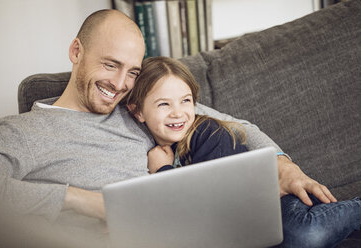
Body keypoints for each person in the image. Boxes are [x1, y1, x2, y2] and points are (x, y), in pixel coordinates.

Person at [0, 8, 341, 246]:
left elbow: (239, 126)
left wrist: (283, 165)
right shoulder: (23, 132)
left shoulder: (139, 105)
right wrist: (84, 202)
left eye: (132, 71)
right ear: (76, 51)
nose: (119, 83)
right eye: (110, 65)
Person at [126, 56, 361, 247]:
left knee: (303, 236)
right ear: (138, 112)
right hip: (245, 228)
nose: (178, 113)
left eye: (185, 101)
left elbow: (205, 208)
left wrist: (163, 170)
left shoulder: (208, 134)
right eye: (164, 104)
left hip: (274, 206)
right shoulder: (150, 147)